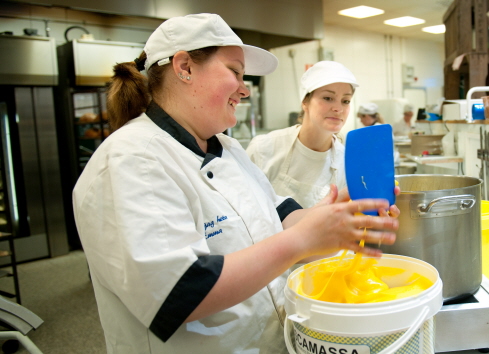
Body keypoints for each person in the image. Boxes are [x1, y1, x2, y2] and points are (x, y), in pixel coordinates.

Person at [72, 14, 398, 354]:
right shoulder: (130, 160)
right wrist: (301, 241)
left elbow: (278, 215)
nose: (244, 89)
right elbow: (181, 292)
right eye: (234, 72)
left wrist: (337, 216)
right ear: (184, 67)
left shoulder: (227, 148)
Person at [246, 61, 356, 208]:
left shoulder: (348, 162)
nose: (338, 108)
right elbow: (243, 211)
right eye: (328, 98)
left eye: (345, 101)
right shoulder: (264, 149)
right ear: (305, 102)